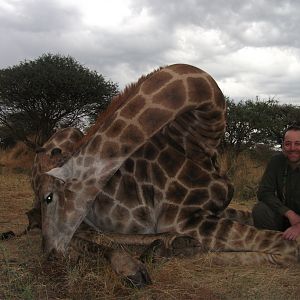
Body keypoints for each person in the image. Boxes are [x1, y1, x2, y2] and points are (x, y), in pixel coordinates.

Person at [252, 124, 300, 241]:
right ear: (283, 145)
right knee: (260, 210)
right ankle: (273, 243)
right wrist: (289, 213)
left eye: (298, 143)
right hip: (285, 218)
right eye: (288, 144)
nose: (292, 148)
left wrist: (298, 226)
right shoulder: (276, 161)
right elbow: (264, 192)